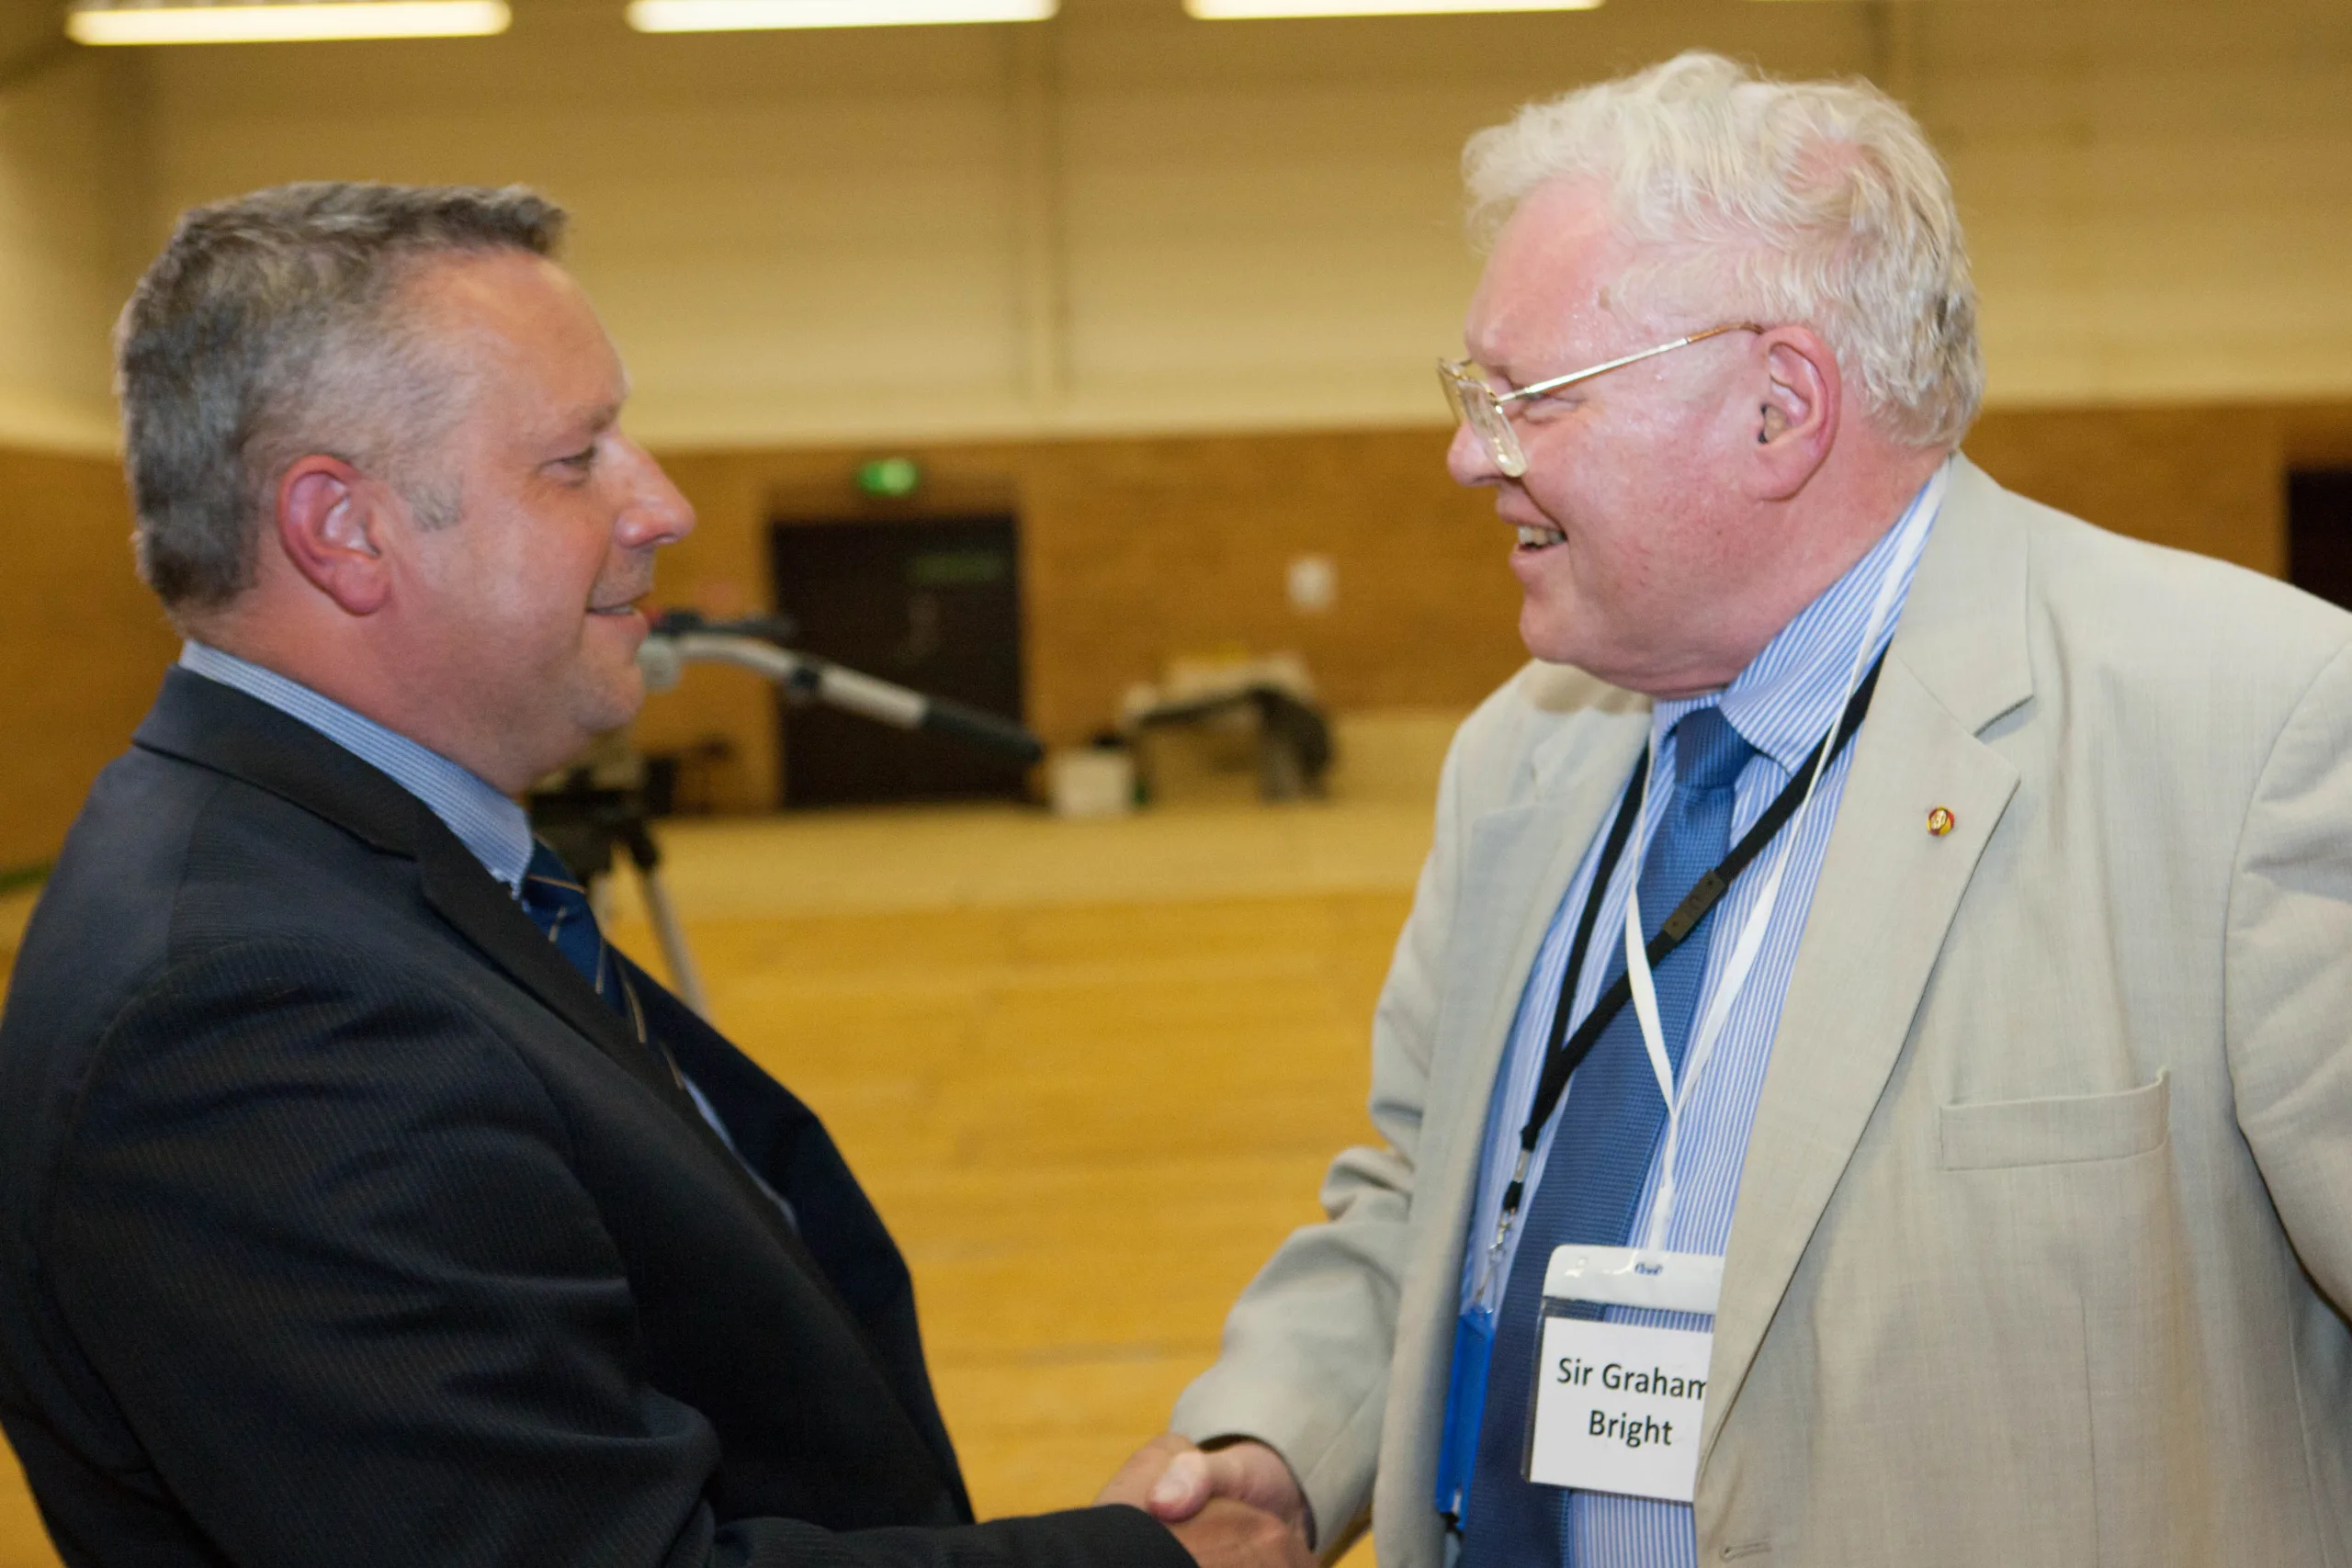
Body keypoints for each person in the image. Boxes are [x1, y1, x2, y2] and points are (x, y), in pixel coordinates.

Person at [1114, 51, 2352, 1568]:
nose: (1463, 451)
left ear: (1779, 409)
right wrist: (1283, 1447)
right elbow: (1431, 1196)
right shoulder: (1523, 756)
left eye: (1527, 398)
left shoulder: (2255, 727)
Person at [0, 182, 1313, 1568]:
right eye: (577, 459)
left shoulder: (349, 868)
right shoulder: (249, 1013)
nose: (664, 504)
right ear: (344, 529)